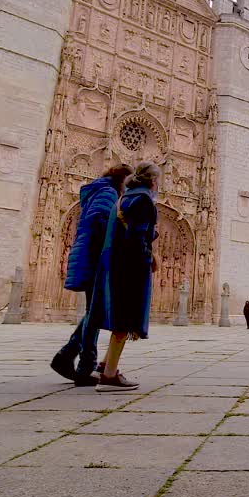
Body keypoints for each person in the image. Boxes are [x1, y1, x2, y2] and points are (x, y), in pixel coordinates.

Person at [50, 164, 131, 387]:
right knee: (94, 312)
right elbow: (99, 221)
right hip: (95, 256)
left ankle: (66, 356)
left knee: (93, 311)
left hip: (89, 253)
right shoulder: (108, 192)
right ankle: (85, 366)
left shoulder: (98, 190)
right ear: (122, 180)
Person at [93, 160, 161, 392]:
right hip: (130, 265)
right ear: (153, 180)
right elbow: (137, 236)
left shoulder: (125, 197)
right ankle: (110, 377)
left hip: (114, 261)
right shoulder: (144, 200)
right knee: (125, 317)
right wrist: (149, 259)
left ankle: (104, 365)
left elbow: (127, 228)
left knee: (120, 315)